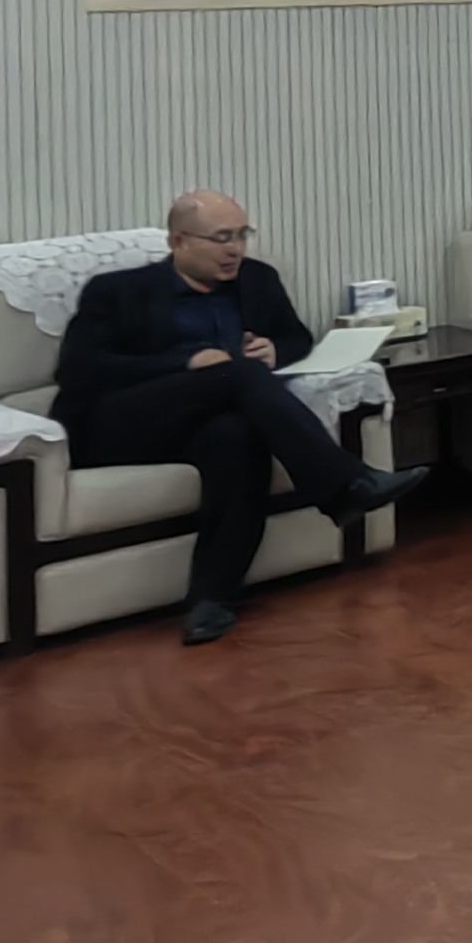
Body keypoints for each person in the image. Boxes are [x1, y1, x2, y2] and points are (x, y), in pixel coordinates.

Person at [53, 191, 427, 645]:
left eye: (241, 235)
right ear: (179, 242)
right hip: (122, 422)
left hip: (206, 419)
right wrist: (185, 363)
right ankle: (346, 483)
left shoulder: (257, 280)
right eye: (221, 238)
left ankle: (211, 601)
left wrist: (275, 350)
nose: (235, 249)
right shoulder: (118, 291)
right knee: (240, 375)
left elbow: (296, 337)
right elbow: (79, 369)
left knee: (237, 437)